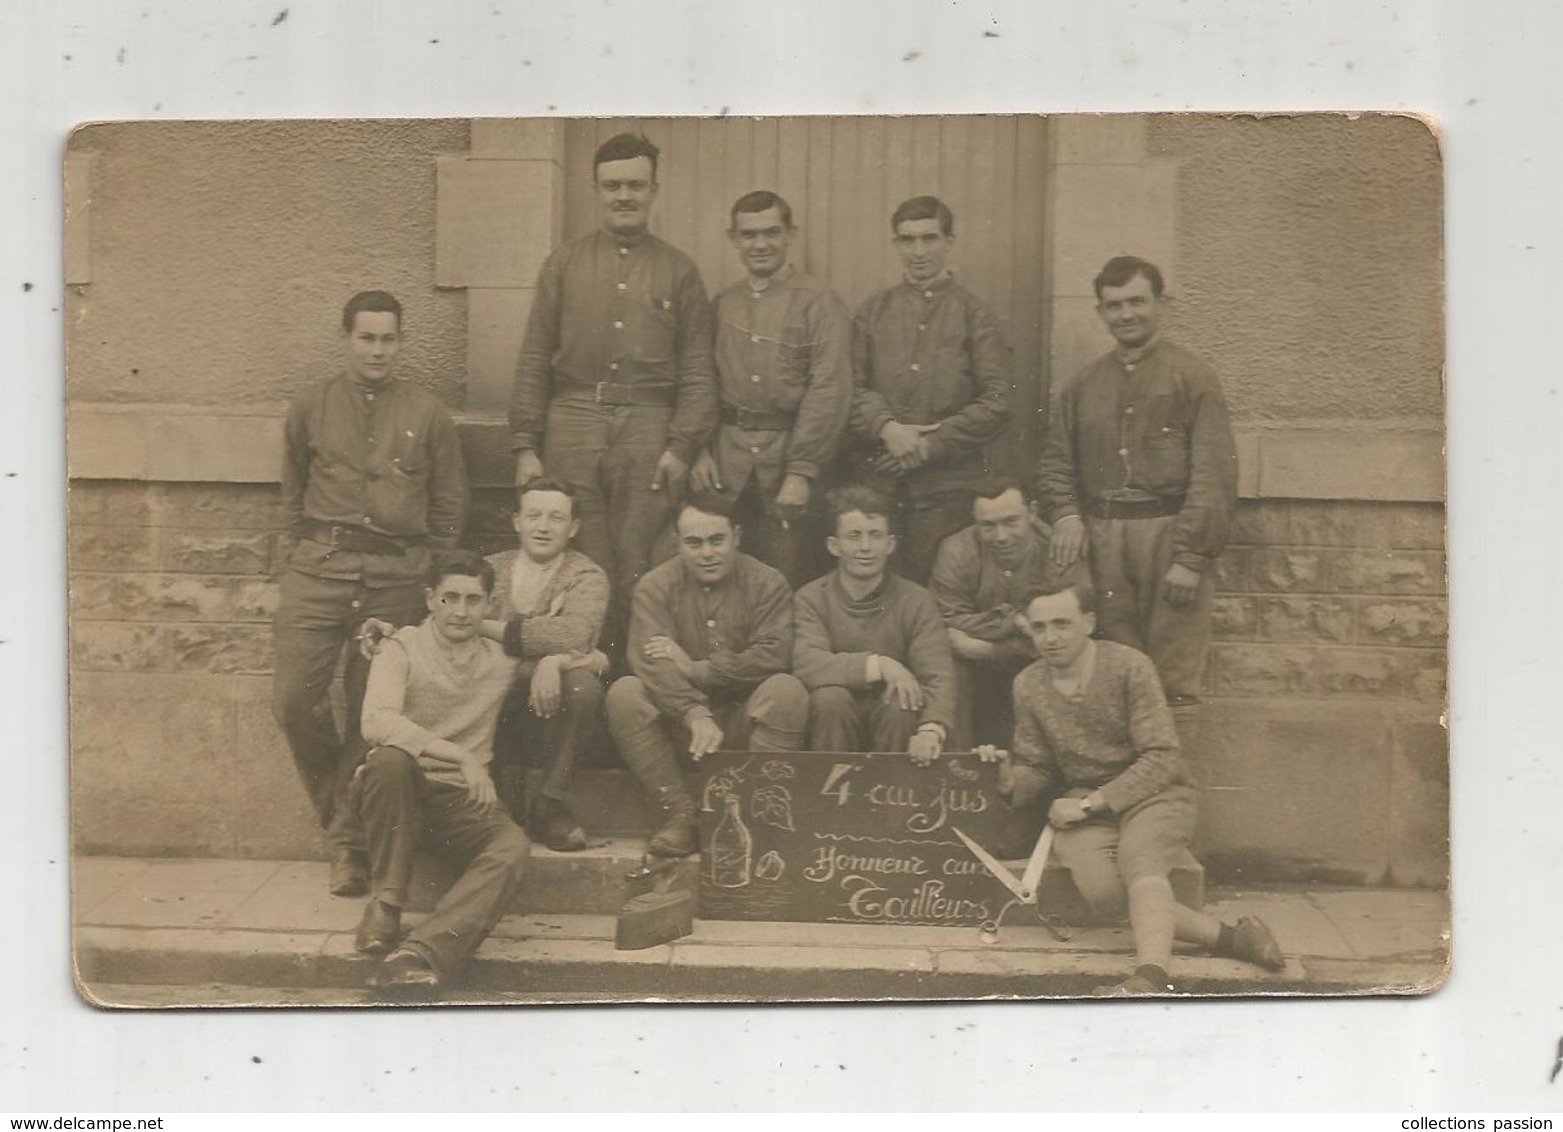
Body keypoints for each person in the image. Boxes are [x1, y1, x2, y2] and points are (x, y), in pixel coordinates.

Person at [976, 580, 1283, 996]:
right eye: (1040, 627)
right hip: (1085, 801)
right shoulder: (1028, 684)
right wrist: (1009, 780)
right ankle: (1230, 938)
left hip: (1156, 793)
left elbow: (1161, 757)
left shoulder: (1128, 667)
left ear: (1089, 622)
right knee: (1104, 894)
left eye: (1062, 624)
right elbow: (1038, 765)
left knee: (1140, 860)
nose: (1050, 638)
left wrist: (1089, 804)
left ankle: (1149, 978)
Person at [272, 290, 469, 897]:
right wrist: (290, 560)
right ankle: (342, 815)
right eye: (366, 337)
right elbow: (290, 492)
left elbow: (450, 503)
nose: (378, 350)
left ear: (400, 342)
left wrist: (426, 576)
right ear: (346, 338)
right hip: (318, 571)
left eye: (388, 339)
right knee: (292, 702)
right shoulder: (310, 407)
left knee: (371, 713)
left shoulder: (427, 414)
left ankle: (348, 845)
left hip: (393, 581)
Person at [510, 131, 718, 663]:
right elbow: (535, 356)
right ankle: (584, 678)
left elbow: (697, 368)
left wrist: (682, 445)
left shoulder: (680, 271)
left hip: (649, 421)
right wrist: (525, 445)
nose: (624, 195)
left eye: (635, 185)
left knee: (637, 559)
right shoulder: (563, 264)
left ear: (654, 189)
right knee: (580, 557)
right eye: (612, 186)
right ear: (595, 190)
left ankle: (634, 680)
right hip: (573, 417)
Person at [1036, 255, 1237, 706]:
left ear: (1161, 304)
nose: (1126, 315)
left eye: (1137, 302)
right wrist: (1067, 514)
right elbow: (1055, 462)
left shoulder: (1193, 378)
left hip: (1168, 535)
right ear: (1100, 312)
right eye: (1114, 306)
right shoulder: (1084, 385)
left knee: (1172, 678)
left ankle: (1174, 774)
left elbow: (1213, 473)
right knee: (1113, 672)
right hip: (1102, 538)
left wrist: (1189, 556)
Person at [352, 553, 531, 993]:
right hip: (399, 792)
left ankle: (420, 954)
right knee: (389, 760)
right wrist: (460, 756)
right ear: (430, 599)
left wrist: (554, 663)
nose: (460, 611)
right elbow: (376, 721)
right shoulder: (401, 647)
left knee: (513, 847)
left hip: (458, 802)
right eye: (449, 598)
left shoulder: (500, 660)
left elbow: (579, 646)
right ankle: (387, 904)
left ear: (490, 605)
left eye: (473, 600)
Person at [604, 497, 808, 858]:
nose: (707, 553)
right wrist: (693, 712)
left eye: (717, 540)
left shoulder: (767, 582)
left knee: (787, 691)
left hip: (743, 722)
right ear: (677, 542)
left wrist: (699, 668)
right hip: (682, 730)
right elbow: (650, 662)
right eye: (693, 543)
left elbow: (774, 654)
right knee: (625, 693)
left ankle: (754, 814)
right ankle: (680, 814)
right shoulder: (656, 586)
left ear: (737, 536)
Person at [688, 190, 852, 586]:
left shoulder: (820, 301)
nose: (760, 245)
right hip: (729, 465)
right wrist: (701, 450)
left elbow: (829, 388)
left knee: (785, 575)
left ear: (790, 234)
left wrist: (801, 471)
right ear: (734, 239)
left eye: (771, 233)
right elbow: (702, 379)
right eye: (748, 235)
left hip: (787, 464)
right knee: (726, 575)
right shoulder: (722, 305)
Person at [848, 195, 1012, 584]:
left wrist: (926, 446)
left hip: (948, 491)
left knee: (939, 592)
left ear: (949, 241)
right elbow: (846, 388)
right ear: (896, 244)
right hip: (879, 486)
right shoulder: (872, 313)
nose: (918, 252)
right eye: (908, 240)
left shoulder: (976, 315)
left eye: (929, 238)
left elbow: (999, 401)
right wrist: (887, 429)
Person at [484, 481, 610, 852]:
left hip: (549, 700)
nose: (543, 526)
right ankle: (499, 792)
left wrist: (553, 660)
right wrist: (546, 647)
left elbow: (576, 630)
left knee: (583, 687)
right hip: (491, 690)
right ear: (517, 522)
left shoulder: (586, 575)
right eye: (533, 515)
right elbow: (452, 619)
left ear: (572, 529)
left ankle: (549, 802)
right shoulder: (488, 568)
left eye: (556, 518)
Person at [793, 486, 956, 763]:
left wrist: (931, 729)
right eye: (854, 536)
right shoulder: (811, 597)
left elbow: (938, 673)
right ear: (834, 546)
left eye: (875, 535)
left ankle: (893, 800)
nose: (865, 547)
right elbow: (808, 662)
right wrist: (880, 665)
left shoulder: (915, 599)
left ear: (890, 544)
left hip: (893, 721)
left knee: (902, 703)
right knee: (830, 698)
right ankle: (829, 801)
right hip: (833, 720)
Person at [928, 477, 1078, 750]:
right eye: (988, 526)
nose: (1001, 536)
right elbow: (947, 622)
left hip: (1039, 659)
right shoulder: (956, 550)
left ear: (1031, 512)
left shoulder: (1058, 550)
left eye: (1011, 522)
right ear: (974, 521)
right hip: (980, 668)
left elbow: (1068, 631)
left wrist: (987, 649)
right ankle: (961, 771)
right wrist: (1015, 621)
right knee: (949, 669)